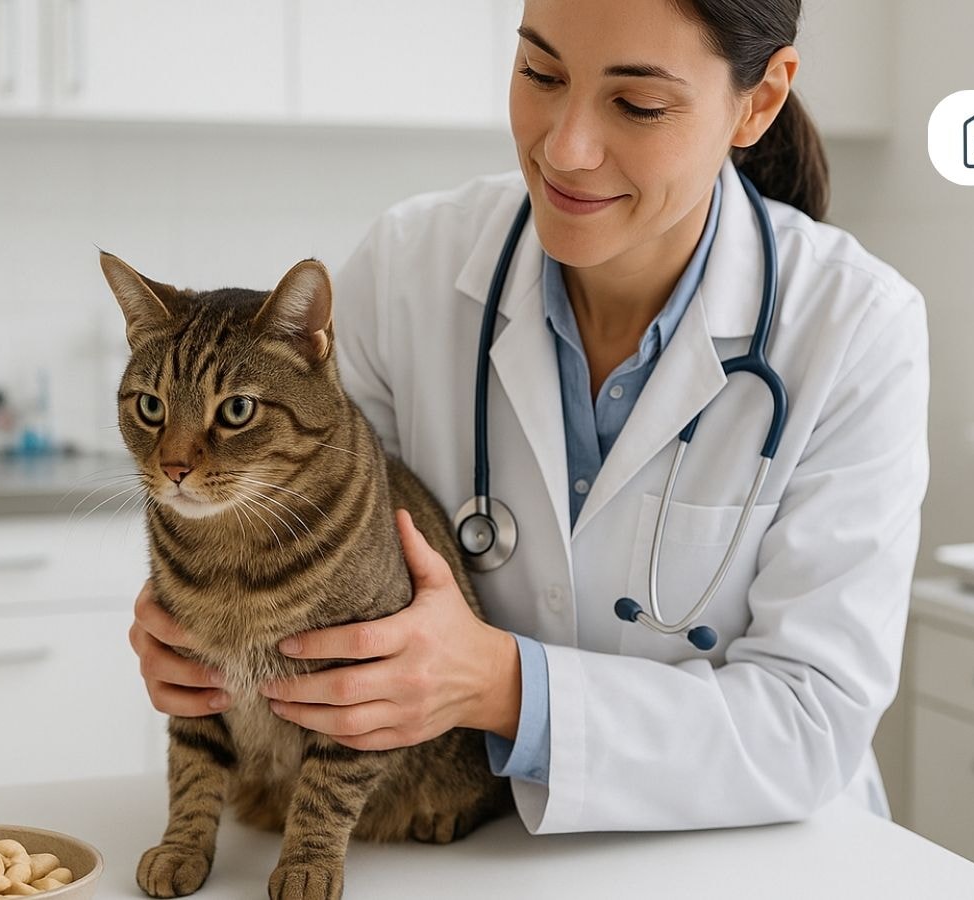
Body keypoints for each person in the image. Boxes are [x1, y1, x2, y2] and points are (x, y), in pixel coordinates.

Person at [127, 0, 929, 834]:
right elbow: (319, 547)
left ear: (759, 101)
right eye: (540, 74)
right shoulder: (410, 266)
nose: (565, 149)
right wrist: (206, 638)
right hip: (471, 846)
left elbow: (807, 726)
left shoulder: (856, 326)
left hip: (757, 857)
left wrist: (505, 686)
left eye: (638, 104)